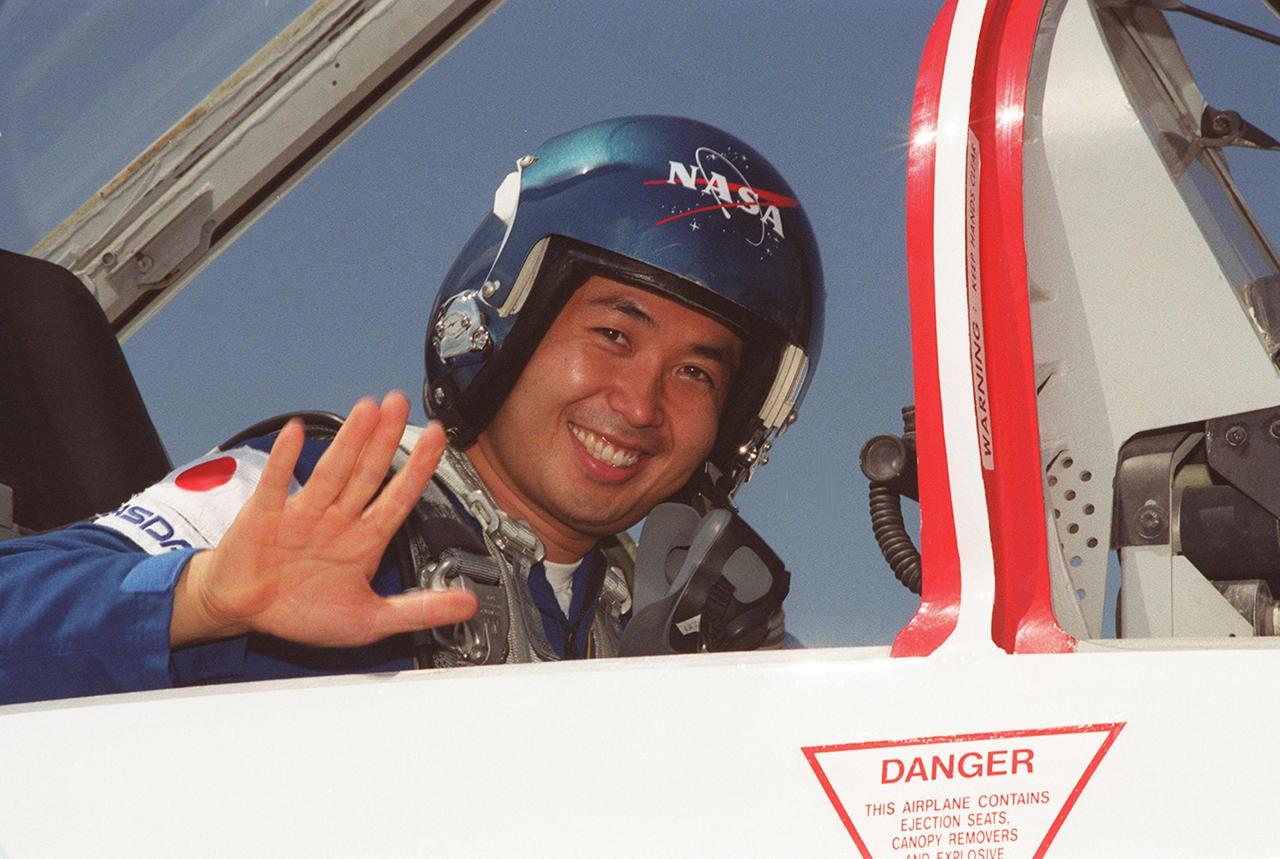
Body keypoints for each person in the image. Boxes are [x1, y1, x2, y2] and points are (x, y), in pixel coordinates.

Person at [0, 115, 824, 705]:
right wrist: (198, 597)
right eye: (613, 333)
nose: (640, 403)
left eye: (695, 374)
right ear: (509, 320)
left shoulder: (692, 646)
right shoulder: (321, 501)